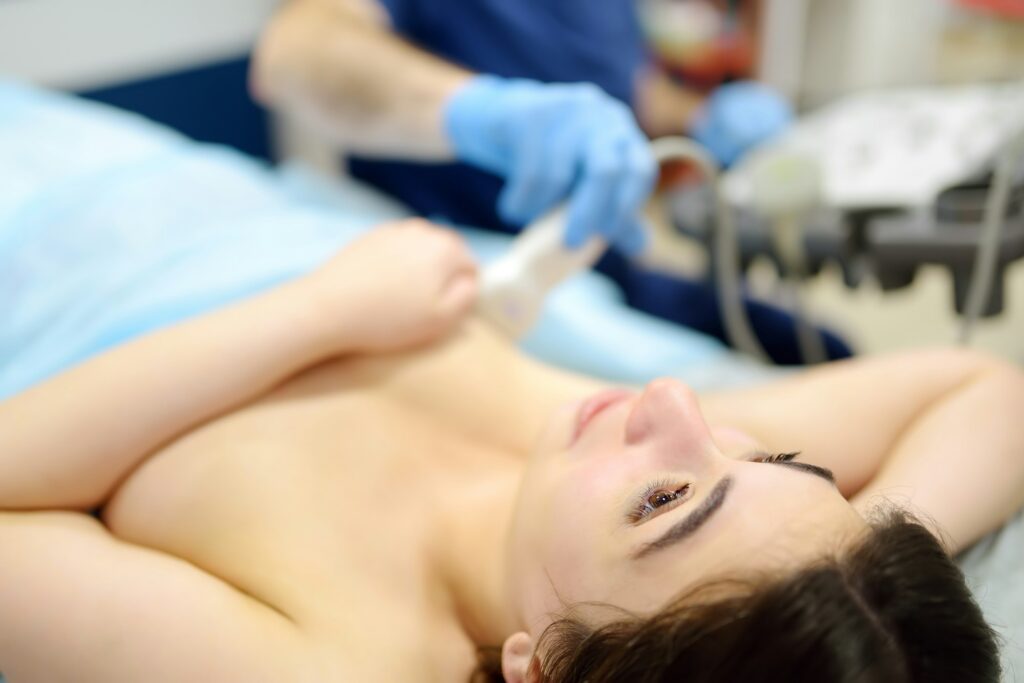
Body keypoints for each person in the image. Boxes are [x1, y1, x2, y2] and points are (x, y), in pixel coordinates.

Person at [0, 219, 1019, 682]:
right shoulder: (722, 524)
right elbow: (990, 390)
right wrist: (859, 587)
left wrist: (316, 311)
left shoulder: (334, 652)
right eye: (778, 460)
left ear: (548, 663)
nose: (670, 403)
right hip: (204, 199)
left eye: (660, 501)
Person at [250, 0, 792, 256]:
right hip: (467, 265)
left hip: (600, 260)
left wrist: (702, 116)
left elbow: (623, 85)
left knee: (815, 345)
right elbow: (293, 51)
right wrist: (480, 112)